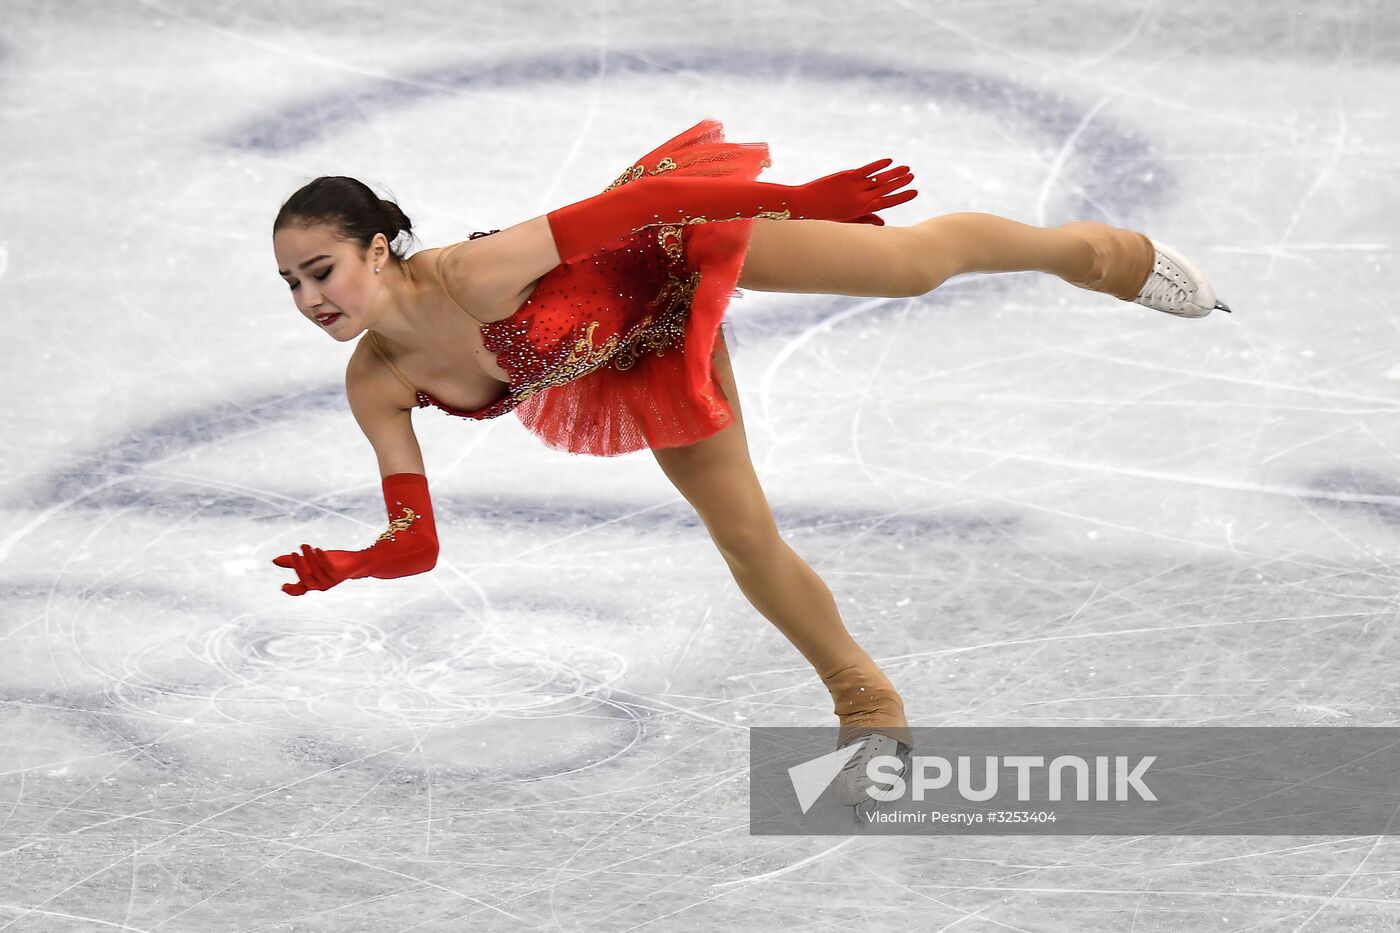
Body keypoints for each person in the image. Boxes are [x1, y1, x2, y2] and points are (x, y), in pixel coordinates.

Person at [270, 118, 1229, 807]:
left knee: (912, 265)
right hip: (638, 354)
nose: (312, 298)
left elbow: (645, 201)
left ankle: (1100, 254)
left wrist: (796, 202)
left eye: (323, 270)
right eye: (293, 283)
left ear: (384, 248)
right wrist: (356, 561)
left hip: (671, 243)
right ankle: (869, 704)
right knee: (744, 538)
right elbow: (416, 538)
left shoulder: (472, 275)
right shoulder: (377, 380)